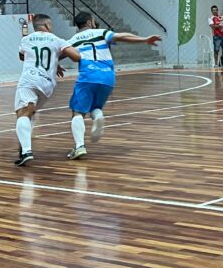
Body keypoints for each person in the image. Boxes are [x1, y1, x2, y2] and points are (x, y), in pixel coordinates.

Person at [65, 12, 162, 160]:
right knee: (94, 107)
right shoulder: (101, 32)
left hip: (88, 76)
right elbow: (122, 36)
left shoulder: (72, 40)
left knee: (77, 112)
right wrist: (144, 39)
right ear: (89, 22)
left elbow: (58, 54)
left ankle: (79, 147)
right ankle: (98, 116)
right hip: (107, 77)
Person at [14, 14, 81, 167]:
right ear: (46, 25)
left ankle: (26, 151)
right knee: (30, 112)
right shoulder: (57, 39)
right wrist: (54, 61)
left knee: (22, 114)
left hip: (30, 80)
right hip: (47, 85)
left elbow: (22, 56)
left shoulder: (26, 39)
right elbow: (76, 56)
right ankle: (24, 148)